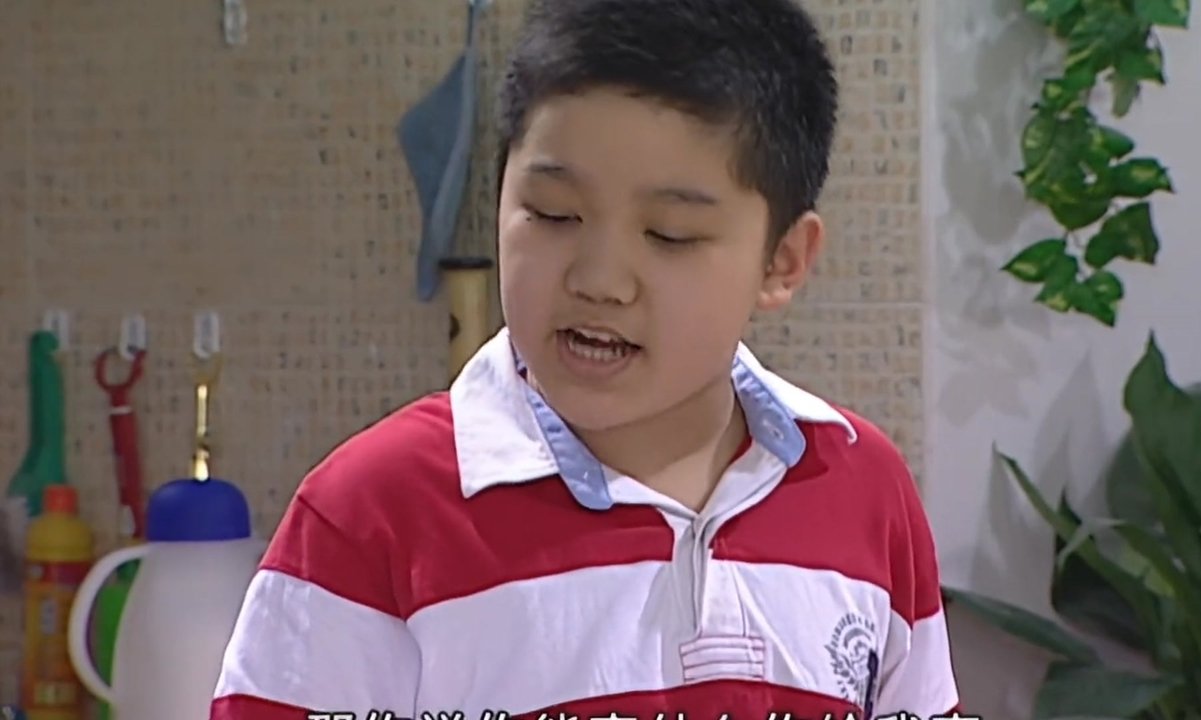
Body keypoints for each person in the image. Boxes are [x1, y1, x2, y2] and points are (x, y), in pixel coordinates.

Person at [210, 0, 960, 717]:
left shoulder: (862, 488)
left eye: (668, 235)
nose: (598, 280)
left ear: (782, 261)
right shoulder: (370, 515)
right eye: (553, 214)